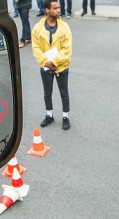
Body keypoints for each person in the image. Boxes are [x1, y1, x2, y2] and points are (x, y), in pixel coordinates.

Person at [32, 0, 73, 130]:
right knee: (47, 93)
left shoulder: (65, 27)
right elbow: (36, 48)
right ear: (47, 10)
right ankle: (49, 115)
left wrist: (54, 62)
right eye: (55, 8)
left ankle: (65, 116)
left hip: (61, 67)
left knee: (64, 93)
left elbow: (67, 49)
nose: (58, 10)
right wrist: (46, 63)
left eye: (58, 7)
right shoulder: (37, 28)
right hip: (46, 67)